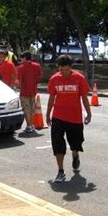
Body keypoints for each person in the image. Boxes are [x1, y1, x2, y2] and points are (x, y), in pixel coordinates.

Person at [46, 55, 92, 183]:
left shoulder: (79, 78)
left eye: (66, 70)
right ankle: (60, 171)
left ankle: (75, 155)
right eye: (61, 70)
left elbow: (84, 98)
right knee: (57, 143)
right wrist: (48, 115)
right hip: (58, 117)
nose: (64, 73)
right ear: (58, 68)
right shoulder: (54, 79)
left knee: (75, 143)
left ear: (71, 68)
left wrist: (88, 113)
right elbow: (51, 99)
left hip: (75, 118)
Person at [17, 51, 43, 134]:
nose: (20, 59)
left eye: (21, 58)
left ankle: (29, 125)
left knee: (26, 109)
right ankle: (32, 125)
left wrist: (17, 86)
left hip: (24, 91)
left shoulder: (21, 67)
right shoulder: (37, 66)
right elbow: (40, 77)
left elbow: (19, 81)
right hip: (33, 90)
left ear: (24, 58)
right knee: (32, 109)